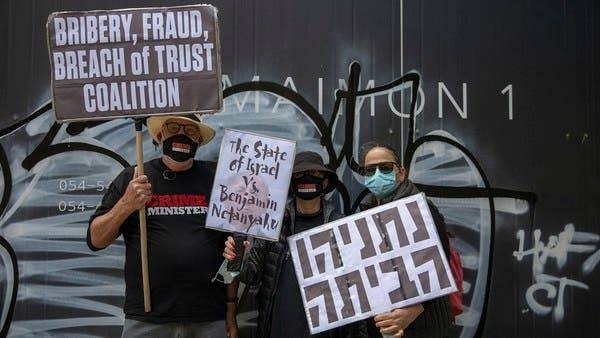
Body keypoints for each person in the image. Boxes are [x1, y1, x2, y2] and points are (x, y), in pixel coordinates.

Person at [87, 115, 238, 338]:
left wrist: (231, 312)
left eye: (190, 130)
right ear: (159, 135)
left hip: (208, 318)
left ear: (199, 139)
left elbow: (233, 255)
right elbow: (95, 240)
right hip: (147, 318)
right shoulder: (135, 178)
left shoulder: (218, 180)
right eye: (174, 127)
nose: (181, 134)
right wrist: (126, 204)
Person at [223, 151, 363, 338]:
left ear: (325, 182)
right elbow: (252, 277)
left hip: (327, 331)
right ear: (290, 184)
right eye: (298, 175)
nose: (306, 179)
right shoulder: (272, 227)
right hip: (279, 328)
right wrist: (236, 258)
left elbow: (357, 287)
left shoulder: (341, 226)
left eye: (315, 175)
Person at [358, 142, 452, 338]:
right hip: (385, 325)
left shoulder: (423, 211)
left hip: (425, 325)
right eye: (370, 170)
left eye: (384, 167)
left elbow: (441, 267)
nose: (377, 174)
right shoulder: (363, 215)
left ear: (401, 173)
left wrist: (413, 311)